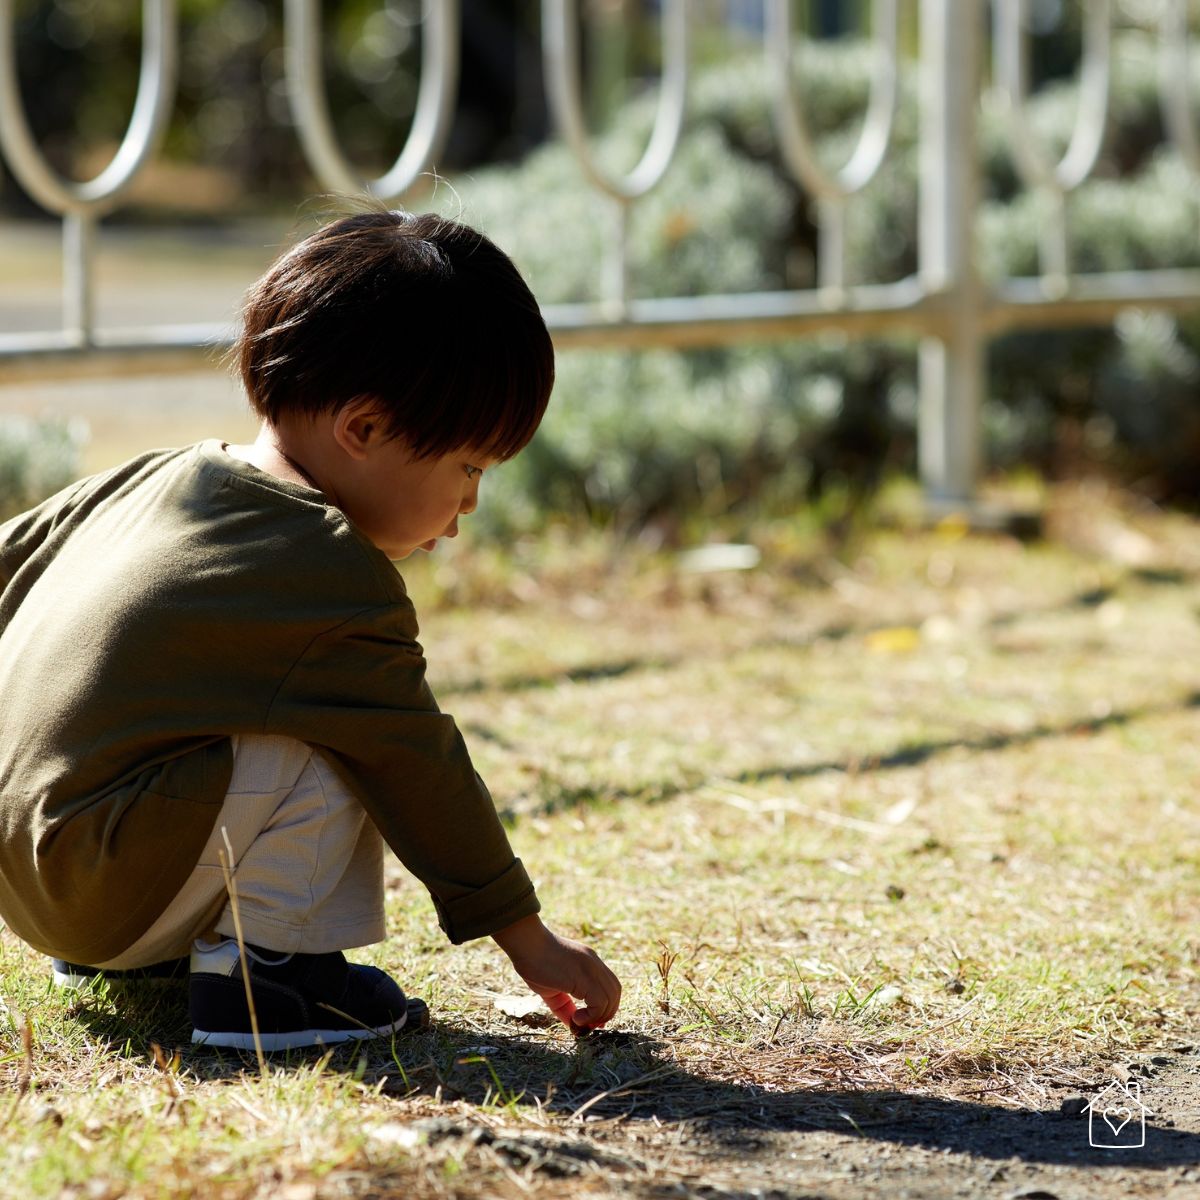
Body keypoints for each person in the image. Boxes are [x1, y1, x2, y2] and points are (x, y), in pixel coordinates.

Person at [0, 210, 622, 1051]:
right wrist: (529, 939)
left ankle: (148, 957)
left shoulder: (158, 476)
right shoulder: (332, 575)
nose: (471, 502)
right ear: (363, 430)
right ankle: (273, 984)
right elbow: (418, 764)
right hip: (105, 889)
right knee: (345, 736)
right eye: (469, 467)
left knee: (250, 715)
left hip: (30, 883)